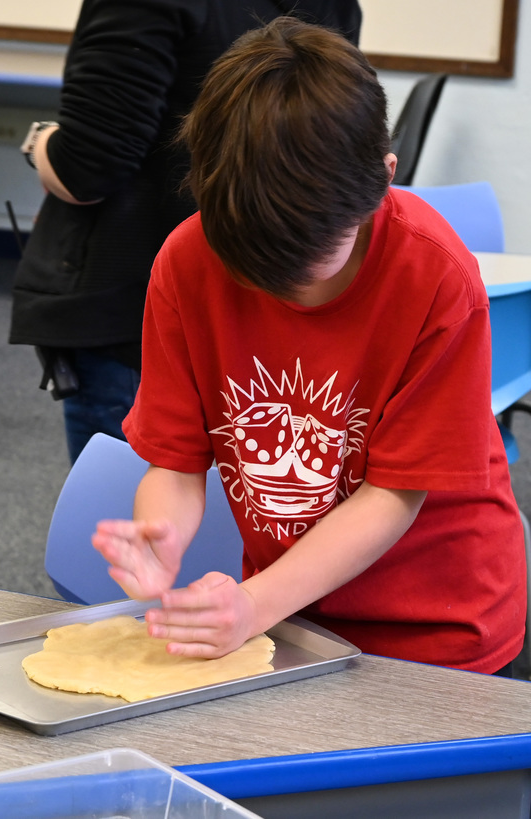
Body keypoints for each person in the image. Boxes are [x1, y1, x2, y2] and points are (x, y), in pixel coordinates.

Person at [92, 17, 526, 675]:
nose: (288, 292)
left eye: (313, 259)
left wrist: (254, 603)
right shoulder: (186, 263)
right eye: (252, 266)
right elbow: (177, 464)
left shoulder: (435, 276)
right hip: (293, 616)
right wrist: (163, 533)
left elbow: (393, 495)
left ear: (384, 179)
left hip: (439, 629)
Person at [10, 0, 362, 463]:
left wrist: (39, 142)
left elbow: (86, 170)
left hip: (138, 303)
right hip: (267, 303)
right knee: (247, 490)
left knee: (141, 491)